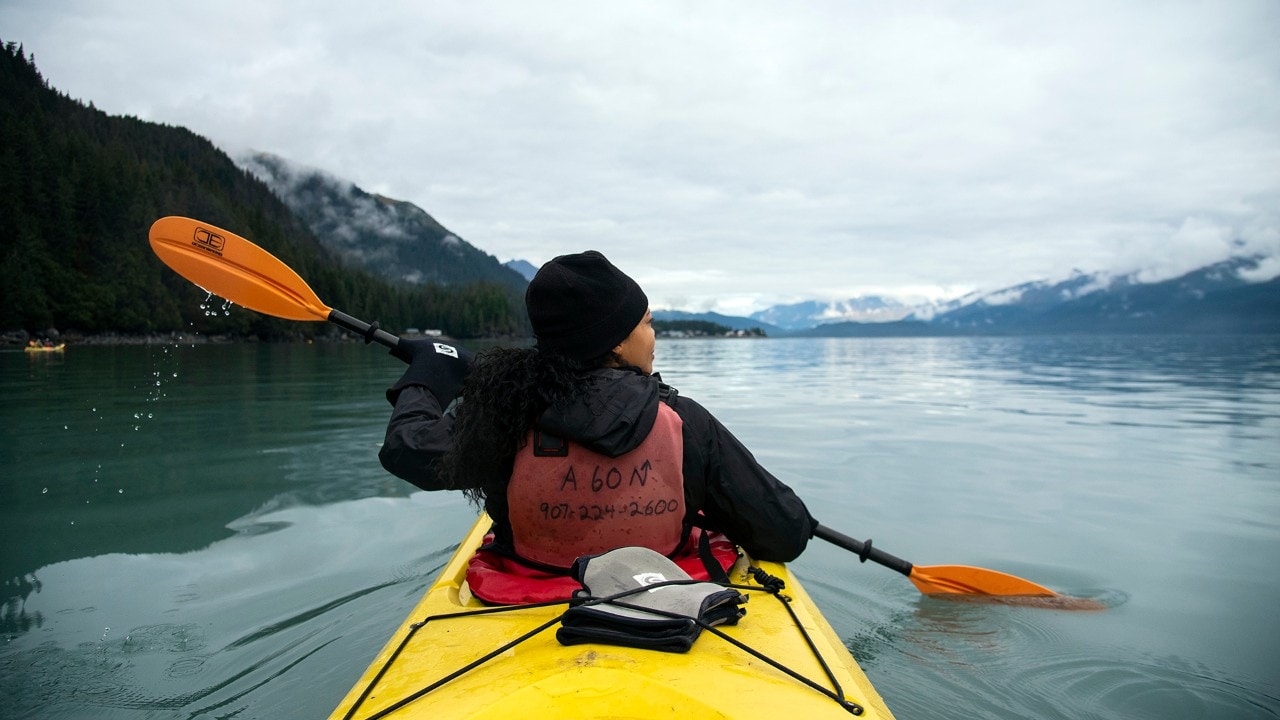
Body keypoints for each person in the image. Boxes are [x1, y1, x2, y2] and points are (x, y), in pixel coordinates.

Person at [379, 250, 816, 603]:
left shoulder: (503, 413)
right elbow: (785, 534)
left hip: (525, 593)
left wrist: (428, 375)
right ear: (617, 340)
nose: (654, 335)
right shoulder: (686, 421)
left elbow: (409, 449)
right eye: (647, 322)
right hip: (665, 596)